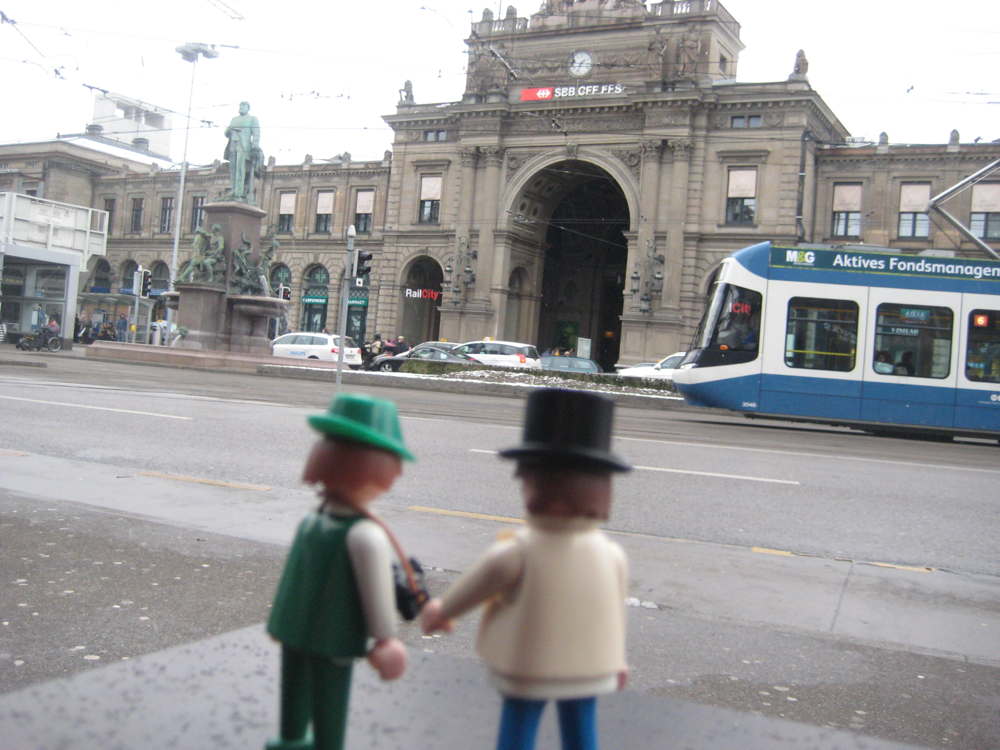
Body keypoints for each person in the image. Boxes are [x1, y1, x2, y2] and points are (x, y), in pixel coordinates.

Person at [422, 388, 631, 750]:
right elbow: (614, 615)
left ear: (534, 486)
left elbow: (475, 587)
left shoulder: (517, 552)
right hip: (590, 667)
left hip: (528, 666)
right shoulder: (612, 555)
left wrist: (441, 611)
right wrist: (617, 660)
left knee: (518, 728)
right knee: (582, 731)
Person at [265, 393, 416, 750]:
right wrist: (386, 639)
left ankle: (289, 740)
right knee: (330, 699)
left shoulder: (311, 521)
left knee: (294, 688)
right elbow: (377, 595)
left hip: (292, 627)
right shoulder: (366, 535)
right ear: (379, 472)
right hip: (335, 637)